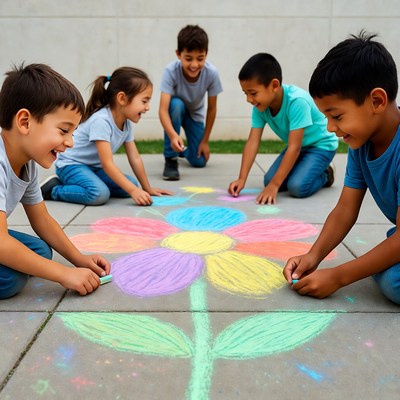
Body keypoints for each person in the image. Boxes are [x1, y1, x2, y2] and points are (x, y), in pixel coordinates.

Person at [283, 32, 400, 304]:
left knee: (393, 282)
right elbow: (346, 209)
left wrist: (338, 276)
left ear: (377, 101)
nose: (330, 128)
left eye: (336, 116)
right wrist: (313, 256)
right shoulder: (362, 144)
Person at [0, 63, 110, 299]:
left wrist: (78, 259)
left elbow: (42, 219)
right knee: (10, 278)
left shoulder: (26, 162)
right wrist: (63, 274)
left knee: (40, 251)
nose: (70, 142)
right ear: (25, 122)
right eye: (63, 130)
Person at [41, 67, 172, 206]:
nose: (147, 107)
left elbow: (135, 157)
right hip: (71, 165)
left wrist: (146, 188)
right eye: (144, 101)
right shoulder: (101, 121)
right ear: (122, 98)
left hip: (95, 168)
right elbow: (107, 163)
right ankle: (53, 189)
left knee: (131, 185)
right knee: (99, 194)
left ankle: (90, 181)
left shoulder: (126, 123)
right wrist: (134, 191)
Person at [228, 53, 338, 205]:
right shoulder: (260, 107)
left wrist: (275, 185)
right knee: (268, 180)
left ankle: (326, 173)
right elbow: (253, 142)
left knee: (297, 187)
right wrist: (242, 178)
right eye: (245, 93)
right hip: (299, 147)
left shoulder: (297, 101)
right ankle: (303, 168)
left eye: (253, 93)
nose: (249, 99)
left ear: (274, 85)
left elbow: (294, 146)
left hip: (320, 146)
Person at [159, 24, 223, 180]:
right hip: (175, 110)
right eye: (188, 59)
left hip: (194, 116)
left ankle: (183, 150)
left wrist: (205, 141)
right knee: (175, 105)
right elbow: (162, 110)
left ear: (206, 54)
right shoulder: (170, 71)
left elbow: (212, 109)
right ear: (178, 54)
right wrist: (174, 135)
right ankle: (171, 159)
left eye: (200, 59)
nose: (194, 65)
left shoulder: (212, 73)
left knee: (199, 161)